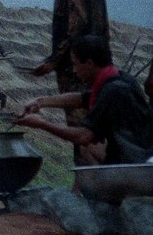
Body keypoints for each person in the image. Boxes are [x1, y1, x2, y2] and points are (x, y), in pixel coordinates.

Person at [17, 0, 109, 165]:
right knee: (96, 130)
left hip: (79, 64)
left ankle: (88, 181)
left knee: (83, 131)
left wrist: (54, 60)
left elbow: (76, 20)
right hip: (97, 60)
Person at [14, 35, 153, 165]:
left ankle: (116, 182)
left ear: (89, 63)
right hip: (143, 151)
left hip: (137, 160)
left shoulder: (114, 90)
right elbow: (82, 99)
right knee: (90, 149)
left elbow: (83, 136)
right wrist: (40, 101)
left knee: (87, 146)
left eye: (75, 64)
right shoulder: (120, 78)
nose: (75, 71)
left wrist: (41, 124)